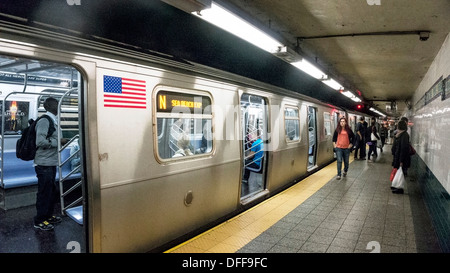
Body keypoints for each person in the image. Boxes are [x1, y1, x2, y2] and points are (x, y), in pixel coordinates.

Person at [34, 97, 68, 231]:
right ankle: (39, 220)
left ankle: (47, 216)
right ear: (48, 106)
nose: (59, 106)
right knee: (44, 192)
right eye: (56, 104)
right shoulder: (44, 121)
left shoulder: (53, 120)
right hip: (43, 163)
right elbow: (40, 141)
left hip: (50, 162)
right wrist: (59, 142)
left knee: (50, 191)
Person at [391, 120, 411, 194]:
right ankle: (396, 186)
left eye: (398, 126)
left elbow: (403, 148)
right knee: (399, 172)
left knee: (401, 173)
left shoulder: (404, 135)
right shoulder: (401, 134)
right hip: (398, 157)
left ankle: (400, 188)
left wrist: (401, 161)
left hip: (402, 158)